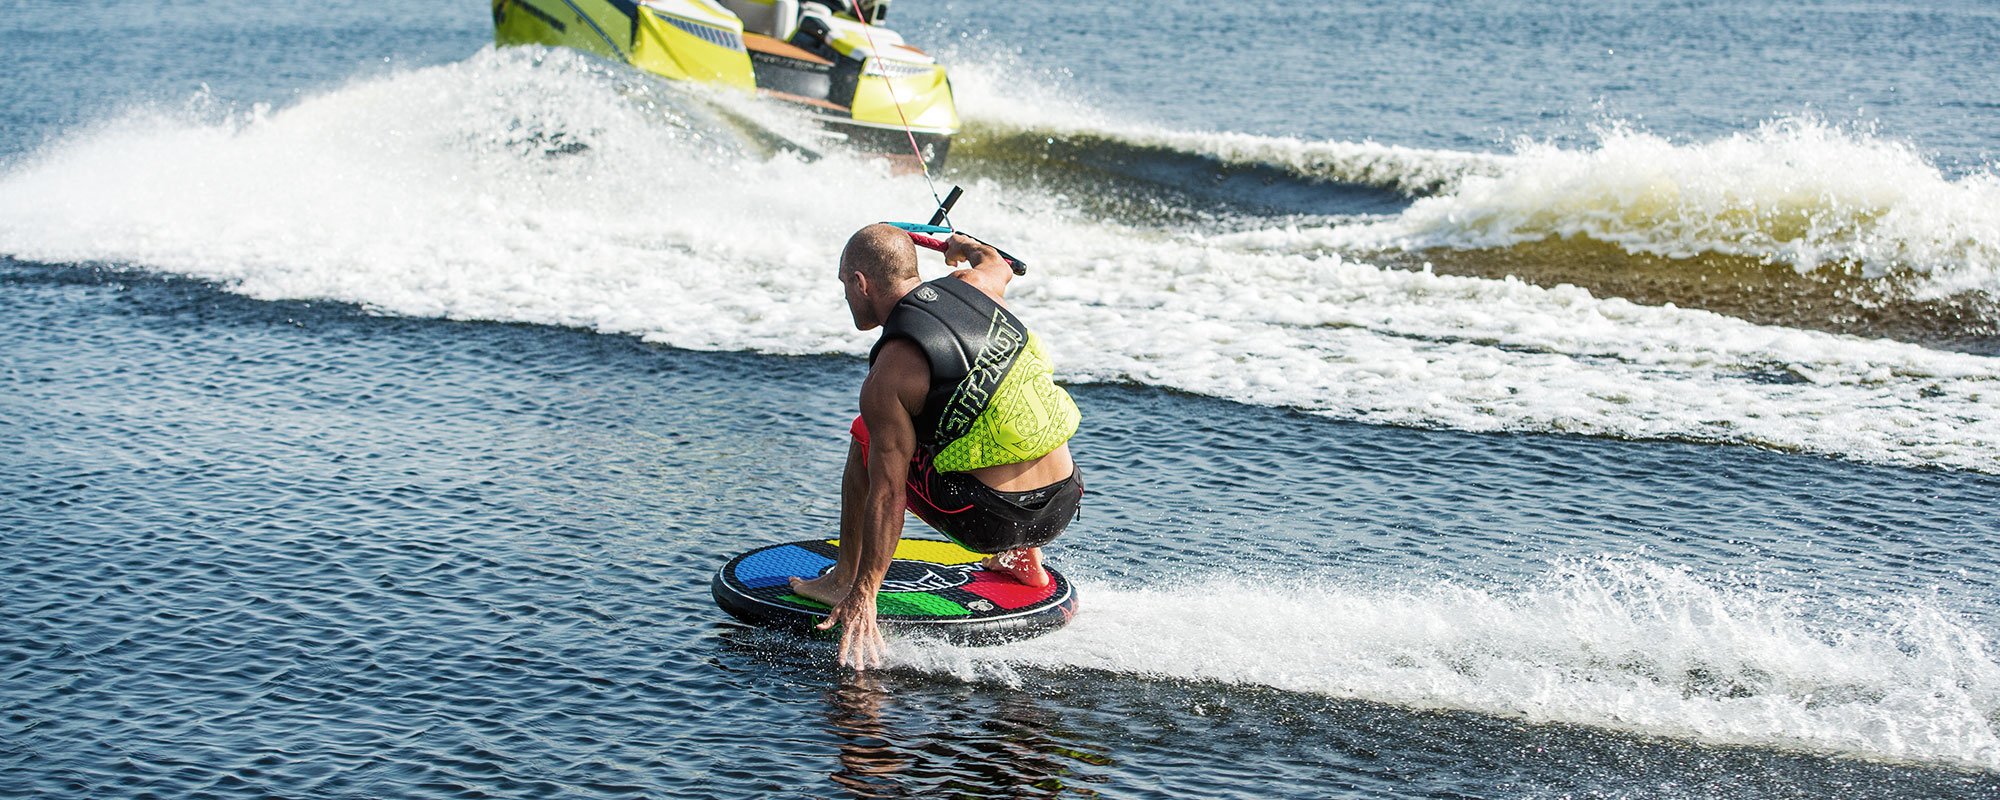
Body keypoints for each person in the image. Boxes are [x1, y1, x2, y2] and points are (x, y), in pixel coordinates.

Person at [789, 223, 1084, 669]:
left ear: (861, 283)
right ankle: (1024, 562)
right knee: (985, 418)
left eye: (844, 284)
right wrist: (962, 244)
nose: (846, 296)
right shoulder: (976, 284)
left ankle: (844, 579)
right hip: (1064, 500)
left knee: (868, 434)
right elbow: (996, 261)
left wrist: (866, 594)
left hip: (990, 524)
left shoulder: (890, 375)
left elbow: (888, 495)